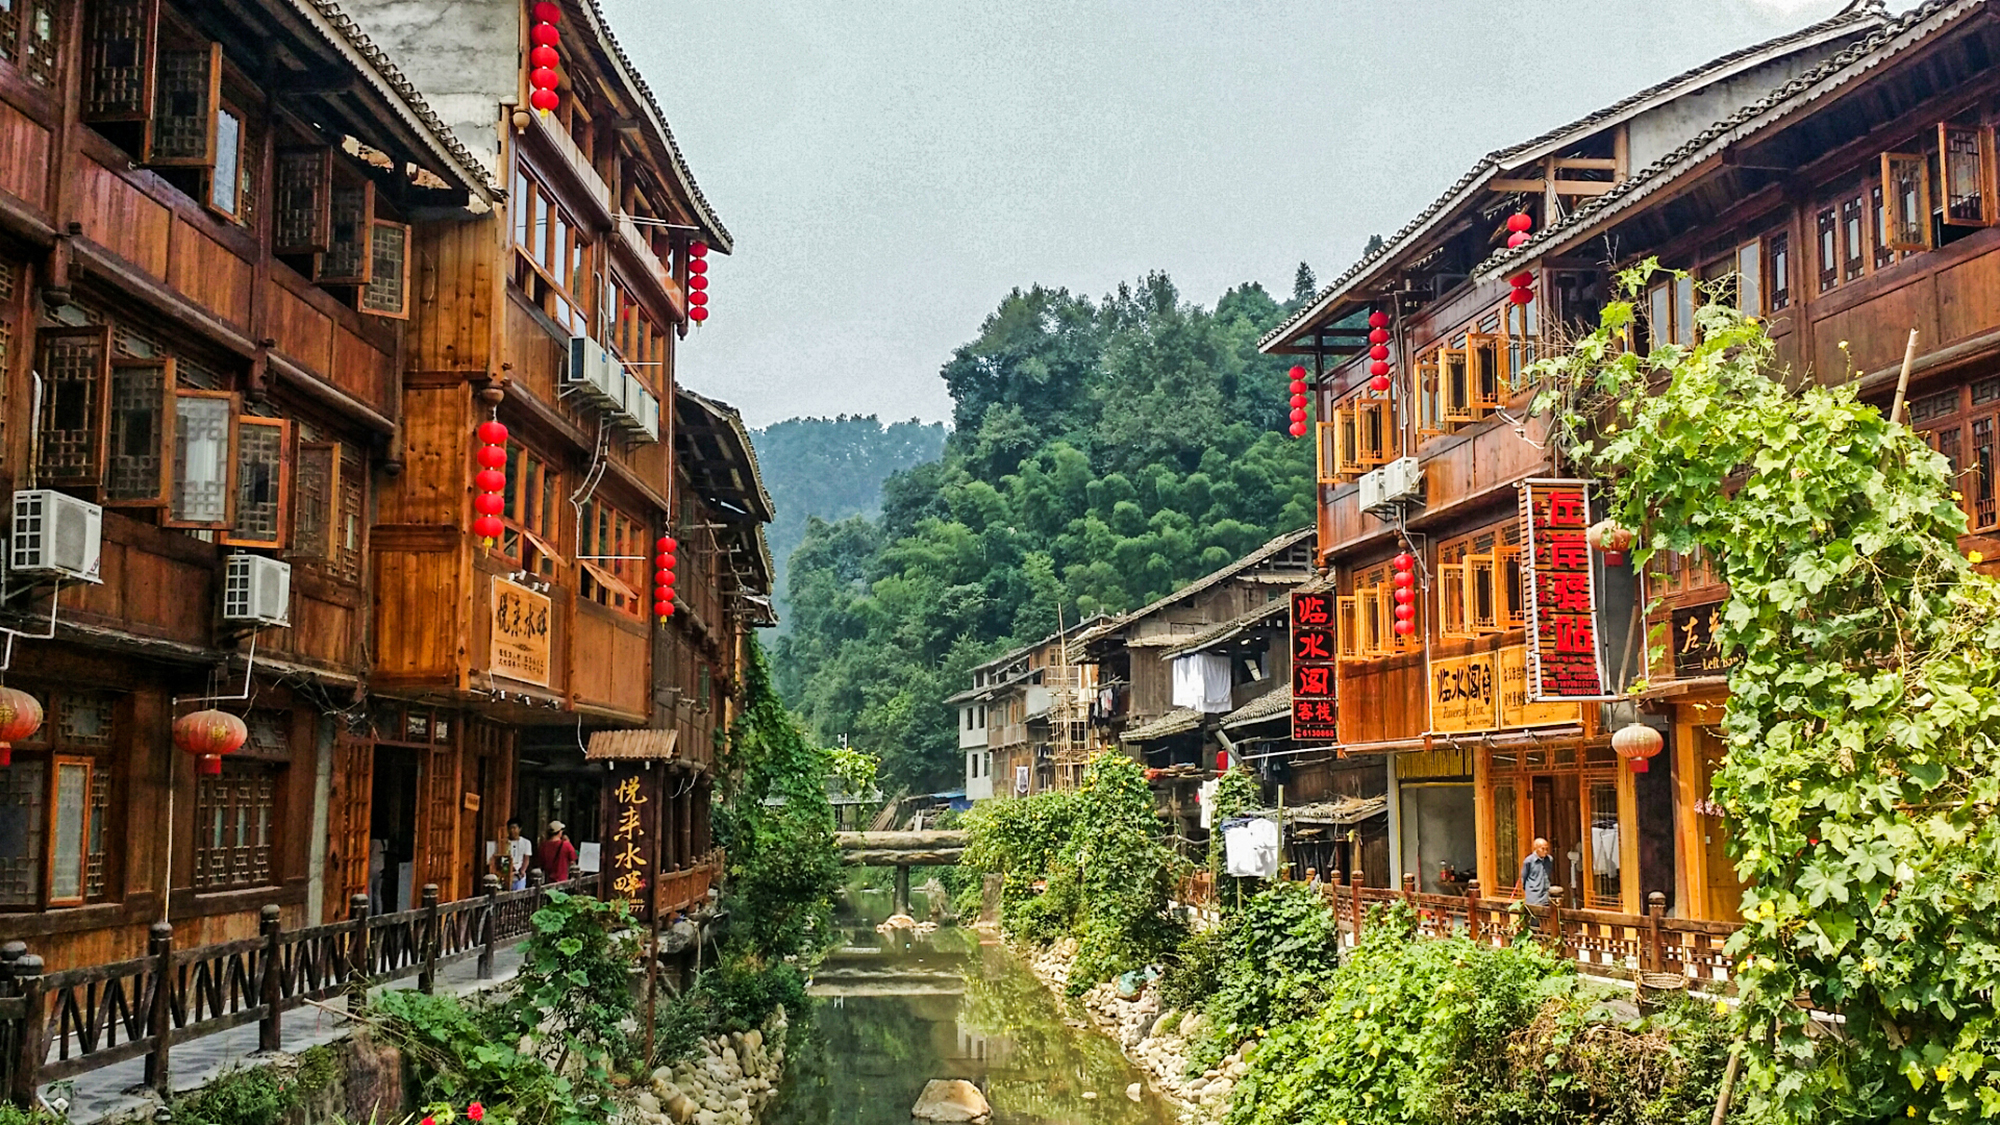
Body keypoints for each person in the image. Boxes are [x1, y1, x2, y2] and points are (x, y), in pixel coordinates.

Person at [1519, 837, 1555, 907]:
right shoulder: (1529, 861)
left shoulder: (1549, 860)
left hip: (1545, 895)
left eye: (1547, 849)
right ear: (1536, 848)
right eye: (1542, 849)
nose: (1545, 851)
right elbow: (1524, 877)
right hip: (1533, 896)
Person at [498, 818, 530, 891]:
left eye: (514, 828)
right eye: (510, 828)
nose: (512, 831)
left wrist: (522, 870)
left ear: (519, 829)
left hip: (519, 875)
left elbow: (526, 858)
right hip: (507, 873)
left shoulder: (526, 842)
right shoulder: (504, 843)